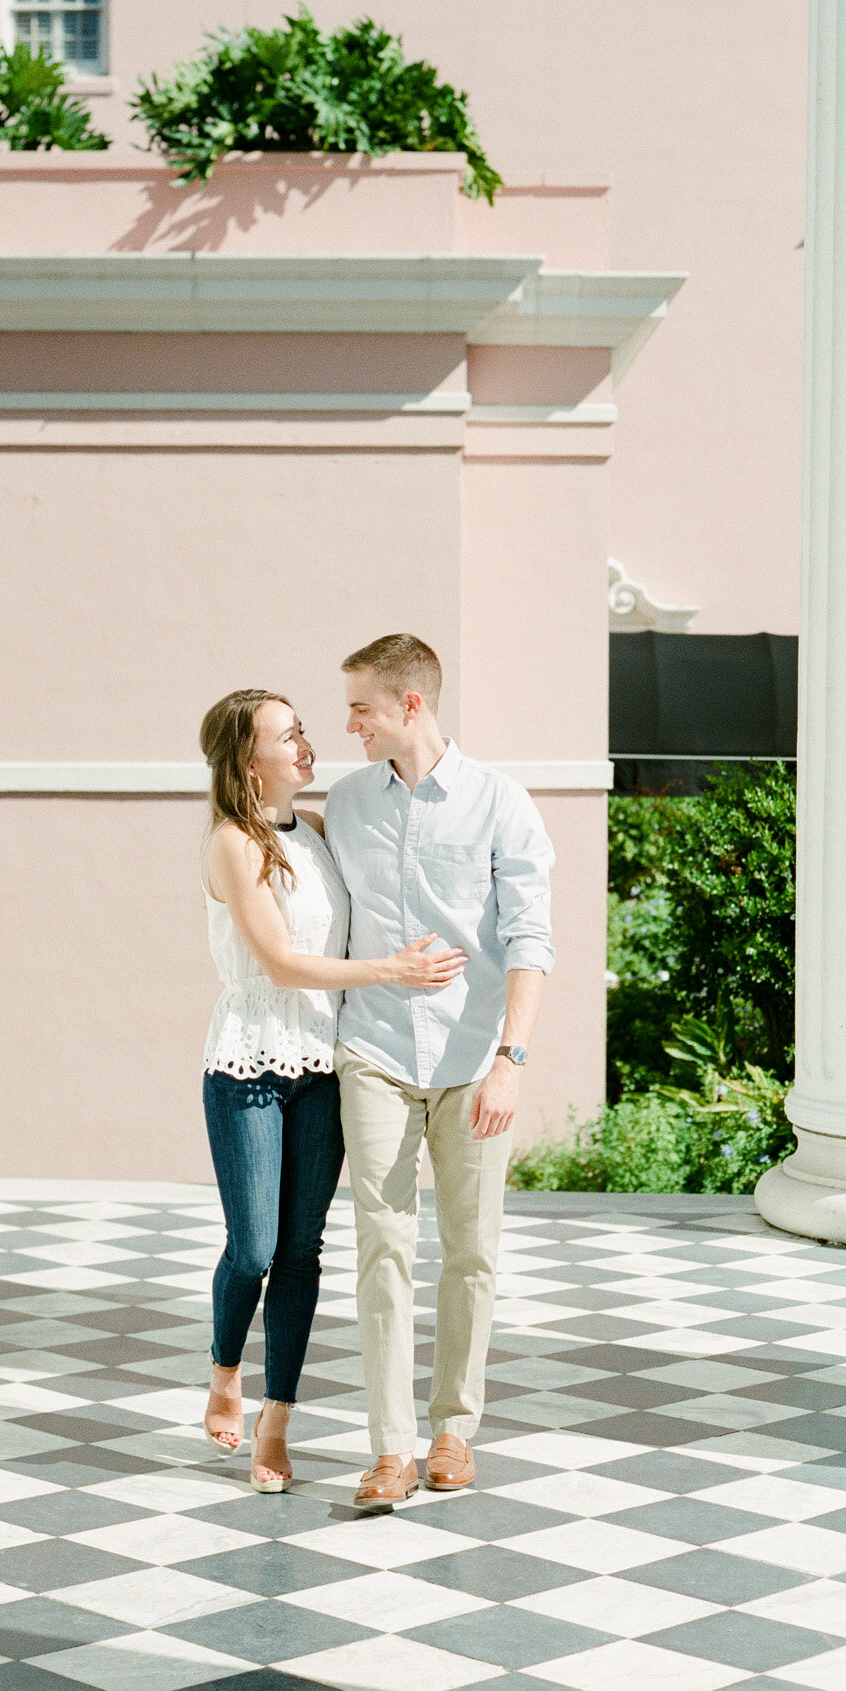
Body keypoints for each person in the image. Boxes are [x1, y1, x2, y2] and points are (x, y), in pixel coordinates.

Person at [198, 688, 466, 1492]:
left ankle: (275, 1423)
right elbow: (280, 964)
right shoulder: (233, 845)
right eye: (289, 736)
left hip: (322, 1062)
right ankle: (223, 1372)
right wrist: (395, 970)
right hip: (248, 1059)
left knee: (301, 1252)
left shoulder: (313, 835)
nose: (307, 745)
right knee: (252, 1248)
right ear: (251, 760)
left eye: (304, 732)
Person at [325, 635, 555, 1506]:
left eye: (361, 708)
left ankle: (454, 1429)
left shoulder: (501, 803)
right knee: (381, 1247)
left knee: (471, 1252)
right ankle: (390, 1448)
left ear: (409, 705)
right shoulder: (345, 805)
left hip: (471, 1060)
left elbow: (531, 940)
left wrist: (511, 1061)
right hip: (375, 1051)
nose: (348, 724)